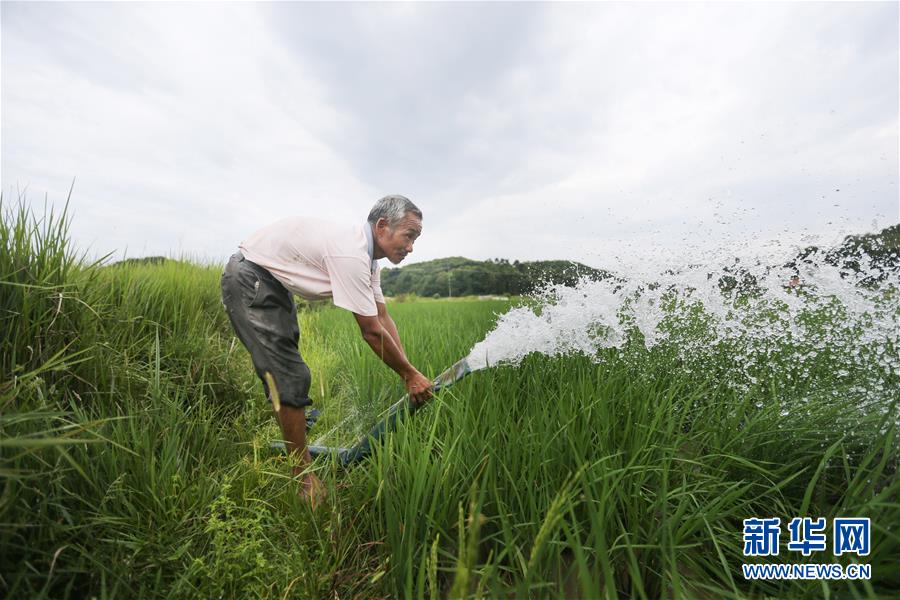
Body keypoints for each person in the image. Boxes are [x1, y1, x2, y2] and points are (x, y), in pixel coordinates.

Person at [219, 195, 433, 507]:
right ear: (383, 226)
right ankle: (303, 478)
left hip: (271, 282)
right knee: (288, 374)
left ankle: (294, 423)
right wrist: (410, 376)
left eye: (415, 239)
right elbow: (371, 331)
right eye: (409, 236)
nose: (411, 247)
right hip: (251, 277)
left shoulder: (369, 261)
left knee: (285, 362)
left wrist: (411, 373)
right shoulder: (351, 254)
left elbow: (383, 317)